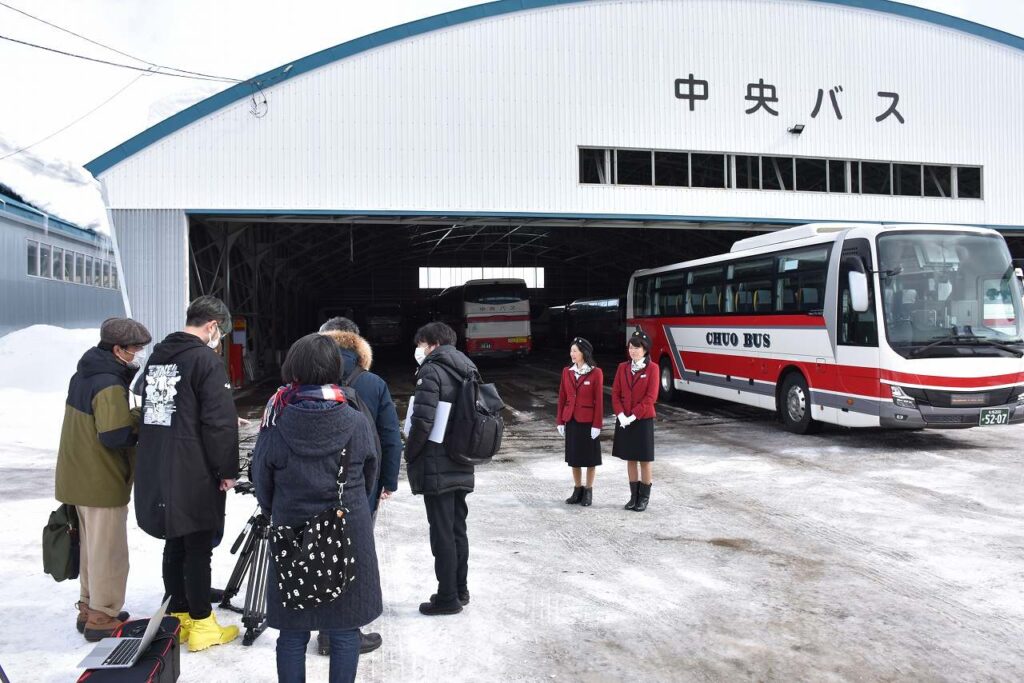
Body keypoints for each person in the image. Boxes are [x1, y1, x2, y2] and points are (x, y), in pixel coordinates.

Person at [252, 333, 382, 683]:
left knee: (292, 632)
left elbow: (262, 480)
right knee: (344, 629)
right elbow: (371, 473)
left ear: (293, 368)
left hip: (292, 532)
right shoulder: (356, 419)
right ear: (336, 368)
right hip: (348, 530)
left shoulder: (276, 420)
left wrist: (280, 507)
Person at [134, 295, 240, 651]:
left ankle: (177, 615)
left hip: (159, 463)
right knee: (198, 546)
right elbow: (218, 424)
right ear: (212, 326)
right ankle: (203, 624)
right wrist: (227, 469)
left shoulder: (159, 357)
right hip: (193, 468)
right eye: (220, 332)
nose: (219, 339)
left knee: (174, 542)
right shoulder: (205, 360)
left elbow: (165, 407)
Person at [55, 317, 151, 641]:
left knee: (90, 550)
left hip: (79, 477)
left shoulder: (84, 374)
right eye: (134, 348)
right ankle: (103, 616)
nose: (137, 354)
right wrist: (140, 416)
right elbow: (115, 434)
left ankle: (88, 607)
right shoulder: (109, 383)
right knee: (109, 553)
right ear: (117, 349)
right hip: (100, 480)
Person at [317, 316, 402, 655]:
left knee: (320, 551)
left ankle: (321, 626)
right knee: (355, 552)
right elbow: (390, 436)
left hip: (313, 479)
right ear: (356, 343)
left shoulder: (307, 376)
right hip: (359, 482)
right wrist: (387, 480)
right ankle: (343, 633)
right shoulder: (373, 383)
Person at [405, 322, 476, 615]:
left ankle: (447, 598)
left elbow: (422, 422)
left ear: (432, 344)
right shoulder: (468, 367)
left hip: (437, 463)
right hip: (463, 459)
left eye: (421, 344)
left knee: (442, 532)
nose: (419, 350)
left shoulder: (431, 371)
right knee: (458, 528)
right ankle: (460, 589)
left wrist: (410, 452)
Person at [611, 328, 659, 512]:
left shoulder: (653, 369)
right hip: (624, 419)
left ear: (645, 349)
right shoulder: (622, 367)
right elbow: (615, 393)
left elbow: (650, 397)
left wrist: (633, 415)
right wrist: (620, 414)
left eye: (637, 348)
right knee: (630, 459)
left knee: (644, 460)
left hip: (642, 420)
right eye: (630, 347)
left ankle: (644, 498)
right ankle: (634, 497)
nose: (633, 351)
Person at [556, 337, 603, 506]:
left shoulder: (596, 372)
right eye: (571, 351)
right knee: (574, 458)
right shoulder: (567, 371)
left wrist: (597, 424)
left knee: (590, 459)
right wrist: (560, 421)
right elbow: (562, 397)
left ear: (584, 352)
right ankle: (577, 490)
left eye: (575, 351)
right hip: (572, 420)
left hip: (588, 422)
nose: (572, 354)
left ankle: (588, 491)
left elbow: (599, 400)